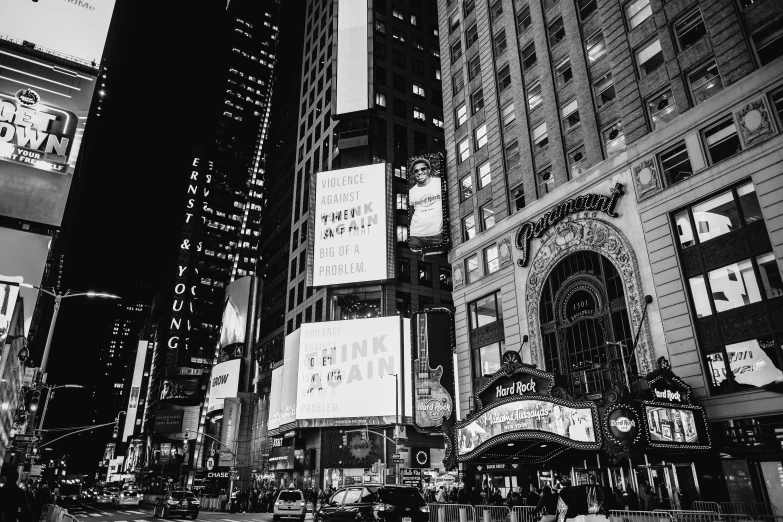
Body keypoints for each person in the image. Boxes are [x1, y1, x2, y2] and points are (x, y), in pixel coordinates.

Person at [407, 157, 445, 252]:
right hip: (415, 236)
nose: (420, 172)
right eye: (416, 171)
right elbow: (410, 215)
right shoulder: (411, 192)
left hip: (436, 234)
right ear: (413, 174)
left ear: (428, 170)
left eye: (423, 169)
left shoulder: (439, 183)